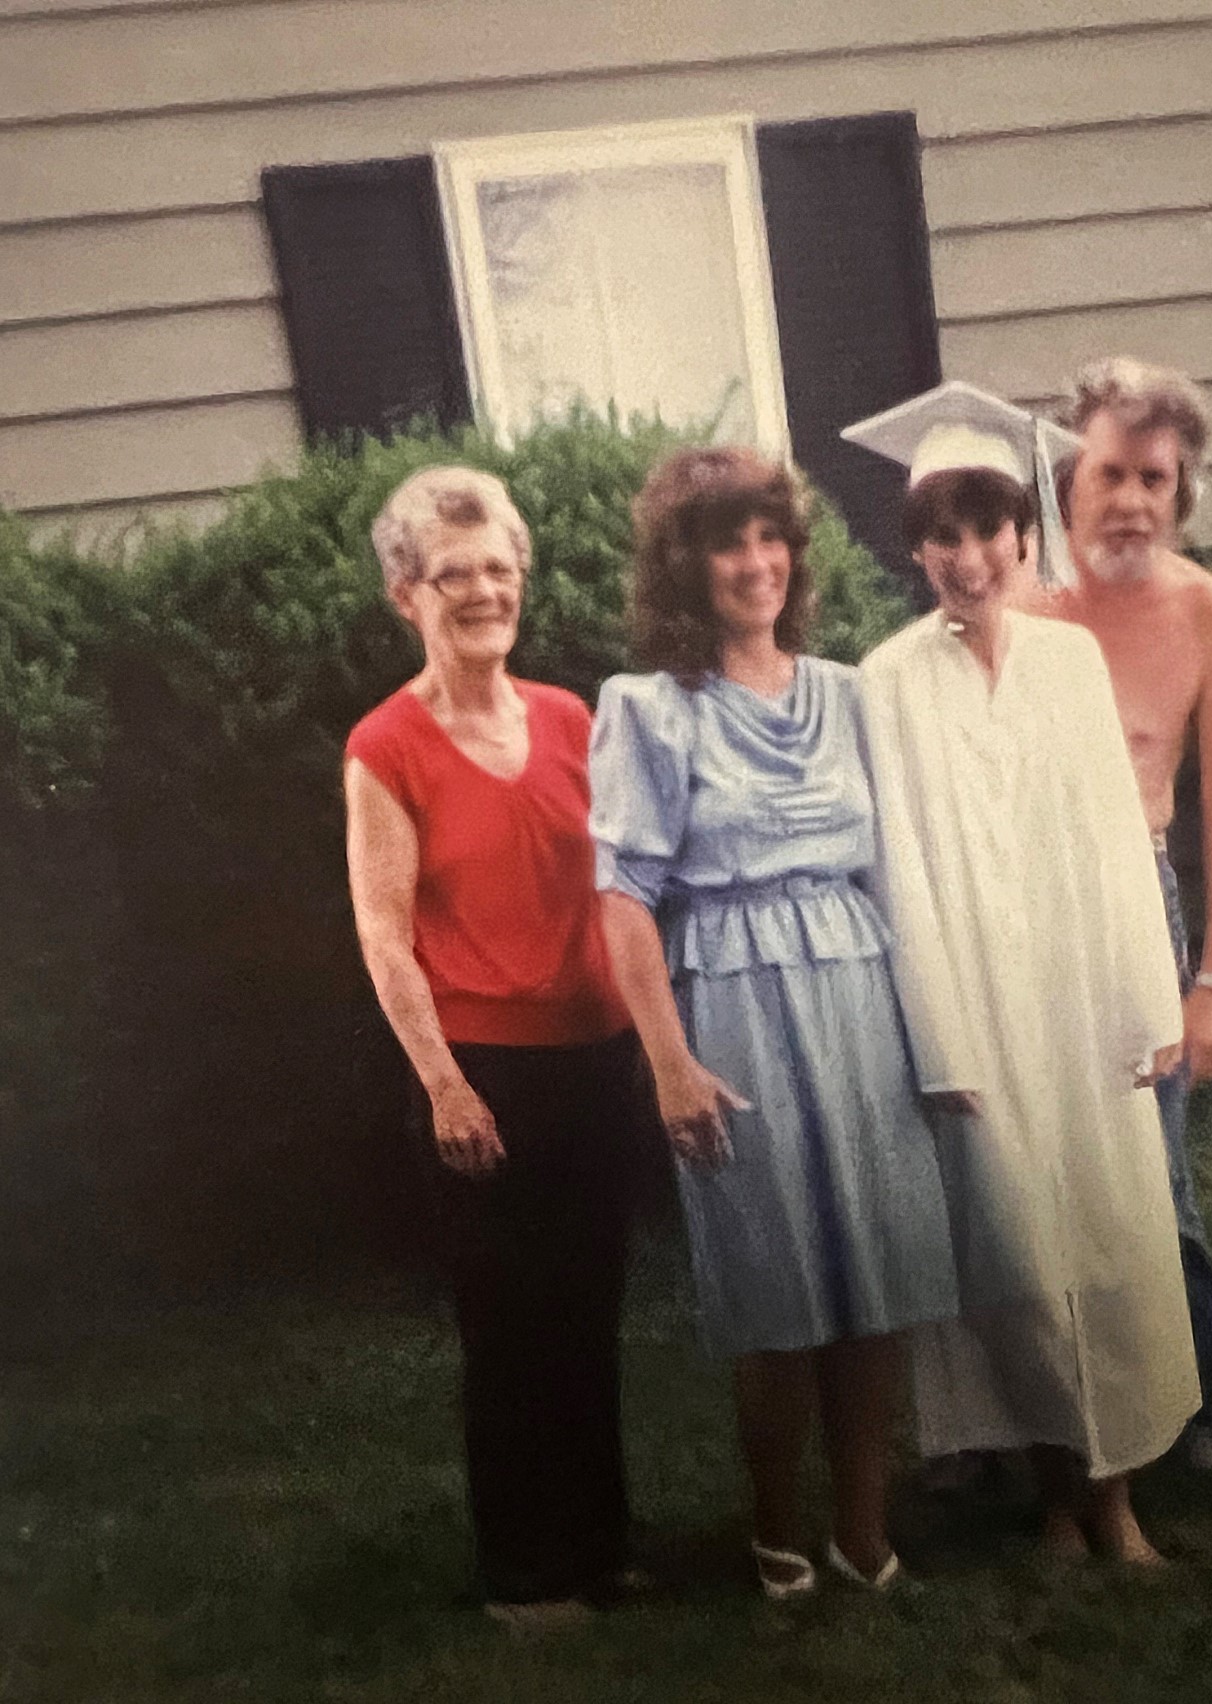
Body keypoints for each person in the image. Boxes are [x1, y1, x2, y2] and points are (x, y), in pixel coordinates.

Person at [586, 446, 957, 1598]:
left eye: (769, 538)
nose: (754, 563)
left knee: (877, 1271)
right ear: (683, 567)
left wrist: (938, 1034)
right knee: (775, 1283)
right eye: (725, 544)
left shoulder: (850, 694)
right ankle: (776, 1531)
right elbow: (623, 899)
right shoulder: (647, 710)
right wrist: (668, 1063)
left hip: (857, 985)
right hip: (734, 994)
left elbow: (901, 871)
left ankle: (864, 1531)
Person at [844, 381, 1197, 1565]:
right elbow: (899, 869)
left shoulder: (1067, 664)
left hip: (1079, 991)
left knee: (1111, 1240)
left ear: (1020, 535)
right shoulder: (886, 680)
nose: (966, 558)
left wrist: (1146, 1000)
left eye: (986, 529)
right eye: (940, 535)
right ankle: (1056, 1493)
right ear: (916, 550)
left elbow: (1114, 839)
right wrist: (939, 1041)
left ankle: (1117, 1501)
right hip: (975, 1002)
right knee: (1015, 1260)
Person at [343, 466, 647, 1630]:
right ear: (406, 596)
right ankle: (525, 1575)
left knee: (589, 1311)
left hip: (595, 1060)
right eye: (451, 574)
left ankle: (602, 1546)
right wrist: (443, 1084)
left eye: (497, 568)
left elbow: (623, 888)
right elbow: (384, 932)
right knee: (511, 1330)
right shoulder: (386, 747)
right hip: (481, 1072)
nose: (481, 591)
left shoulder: (572, 720)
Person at [1037, 357, 1212, 1473]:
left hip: (1140, 897)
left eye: (1154, 480)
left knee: (1155, 1172)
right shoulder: (1019, 601)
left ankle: (1191, 1407)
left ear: (1182, 492)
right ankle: (1034, 1415)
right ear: (1068, 479)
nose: (1129, 501)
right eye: (1110, 474)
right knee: (1031, 1171)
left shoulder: (1207, 611)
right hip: (1029, 911)